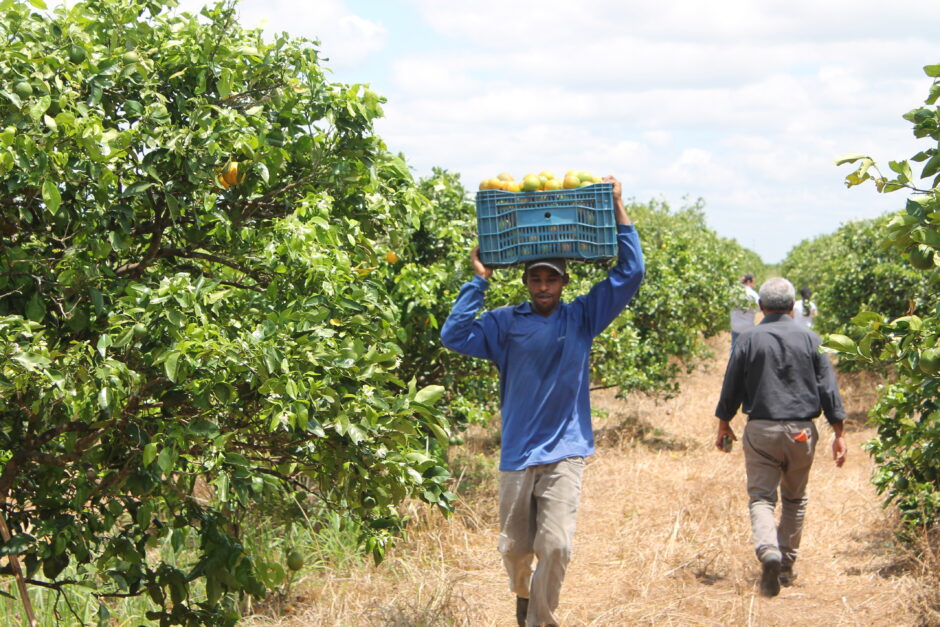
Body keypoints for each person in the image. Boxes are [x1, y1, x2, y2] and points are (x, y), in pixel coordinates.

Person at [440, 176, 643, 627]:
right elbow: (453, 335)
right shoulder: (503, 324)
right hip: (517, 453)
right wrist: (478, 281)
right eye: (536, 278)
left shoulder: (583, 316)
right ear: (526, 280)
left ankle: (540, 621)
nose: (544, 285)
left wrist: (618, 206)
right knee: (514, 550)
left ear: (565, 280)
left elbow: (630, 274)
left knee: (557, 545)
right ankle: (523, 591)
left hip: (565, 451)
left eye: (552, 277)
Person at [714, 277, 847, 598]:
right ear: (792, 308)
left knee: (761, 498)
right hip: (802, 432)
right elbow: (828, 389)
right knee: (795, 499)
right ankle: (785, 564)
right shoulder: (812, 338)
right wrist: (839, 432)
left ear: (761, 307)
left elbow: (732, 384)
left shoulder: (747, 339)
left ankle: (767, 550)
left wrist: (724, 423)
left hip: (761, 430)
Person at [730, 274, 760, 351]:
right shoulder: (753, 294)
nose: (754, 284)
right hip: (748, 327)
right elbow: (759, 308)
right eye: (753, 282)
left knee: (734, 348)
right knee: (749, 349)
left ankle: (734, 362)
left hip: (735, 326)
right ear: (749, 282)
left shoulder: (733, 292)